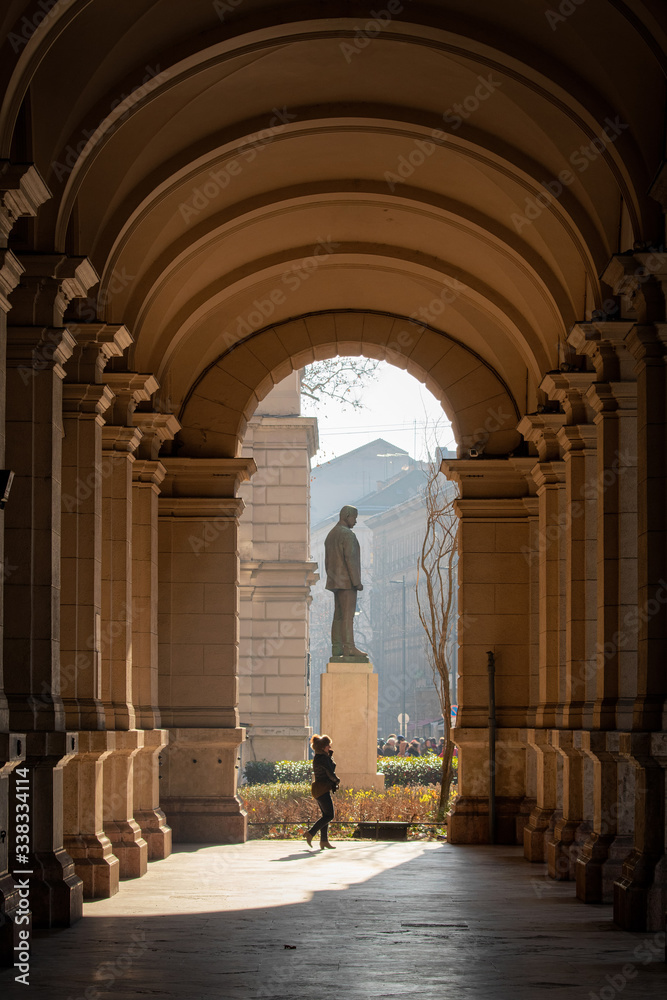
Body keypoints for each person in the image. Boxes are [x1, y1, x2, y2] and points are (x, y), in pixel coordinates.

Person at [324, 505, 367, 658]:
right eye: (354, 517)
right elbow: (351, 559)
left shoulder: (331, 534)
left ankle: (337, 648)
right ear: (346, 516)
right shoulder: (347, 535)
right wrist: (357, 582)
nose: (355, 521)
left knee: (338, 616)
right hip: (347, 582)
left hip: (336, 582)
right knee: (348, 616)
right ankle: (349, 647)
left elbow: (327, 561)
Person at [305, 733, 339, 850]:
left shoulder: (320, 757)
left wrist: (329, 756)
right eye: (328, 745)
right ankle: (311, 833)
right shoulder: (323, 759)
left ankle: (324, 841)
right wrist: (337, 780)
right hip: (322, 789)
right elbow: (330, 772)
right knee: (329, 815)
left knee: (326, 815)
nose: (329, 747)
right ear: (322, 747)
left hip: (320, 789)